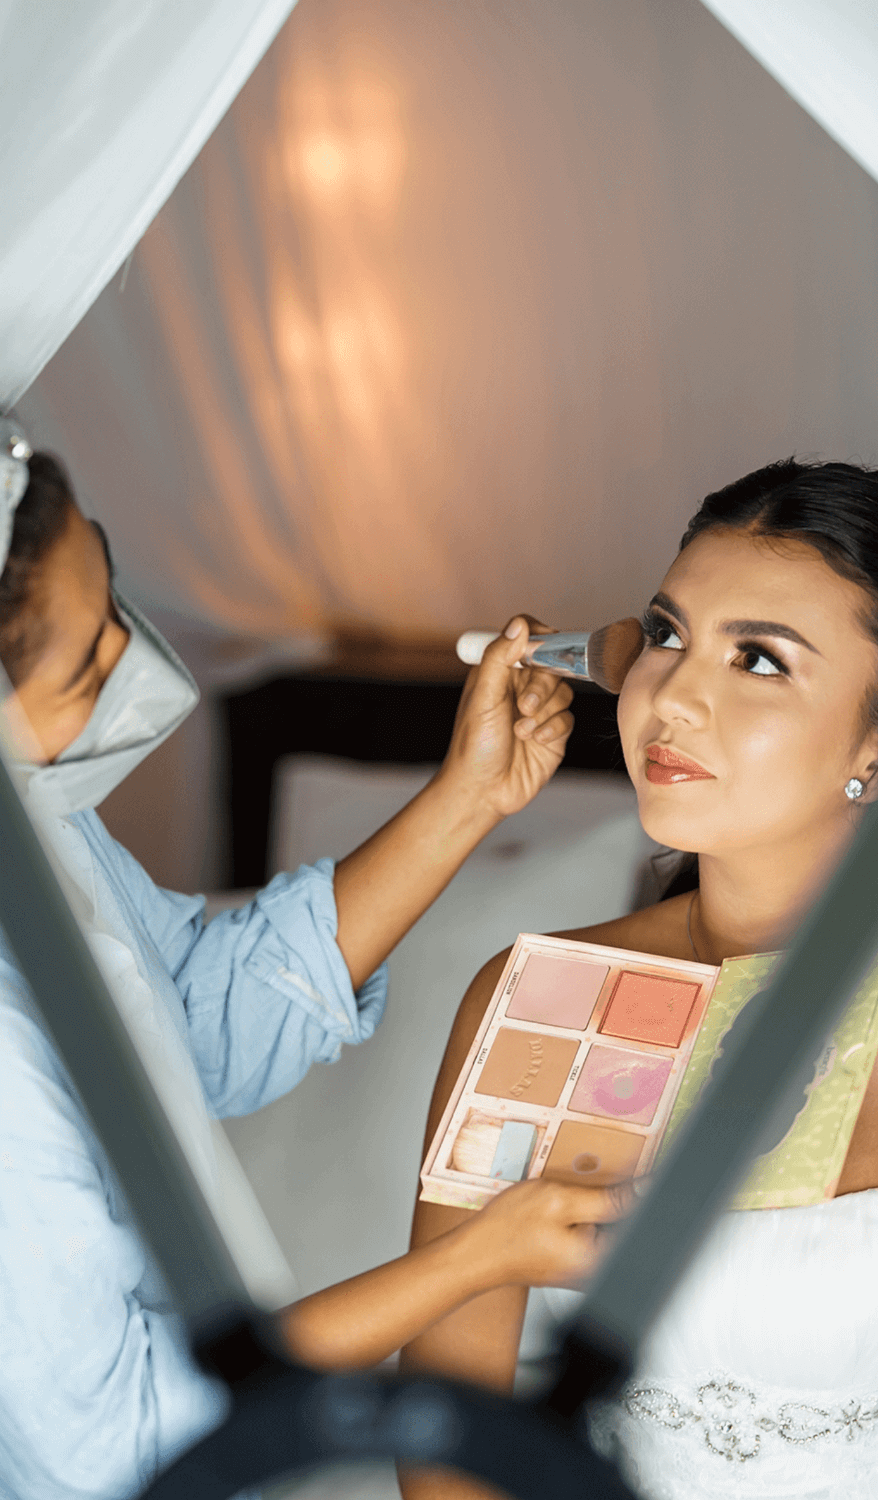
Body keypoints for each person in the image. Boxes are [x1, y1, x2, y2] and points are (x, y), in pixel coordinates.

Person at [0, 423, 632, 1500]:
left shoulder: (40, 823)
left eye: (114, 600)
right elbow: (123, 1449)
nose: (127, 657)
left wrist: (470, 794)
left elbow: (196, 1025)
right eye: (87, 664)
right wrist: (474, 1258)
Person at [400, 458, 878, 1500]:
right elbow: (449, 1449)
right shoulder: (541, 1000)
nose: (671, 695)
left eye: (758, 660)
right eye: (666, 634)